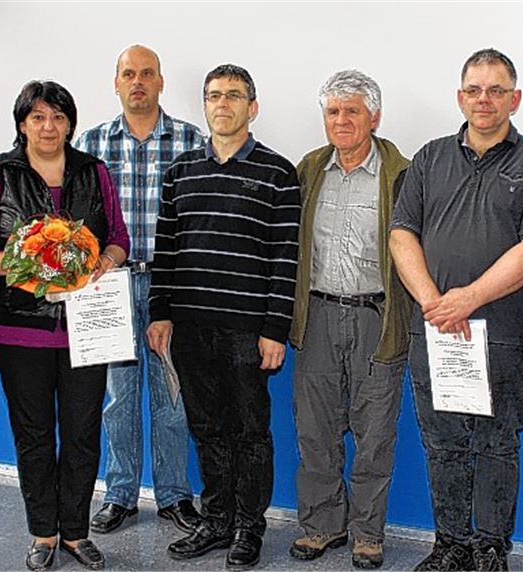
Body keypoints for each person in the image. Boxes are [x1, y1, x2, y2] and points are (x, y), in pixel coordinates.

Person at [390, 48, 523, 571]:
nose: (483, 99)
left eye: (495, 90)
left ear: (515, 97)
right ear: (460, 96)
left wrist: (468, 298)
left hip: (504, 334)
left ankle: (490, 549)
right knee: (442, 443)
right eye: (474, 89)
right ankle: (450, 545)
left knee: (496, 444)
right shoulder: (429, 158)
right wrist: (433, 303)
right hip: (435, 333)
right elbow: (402, 234)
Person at [0, 80, 130, 571]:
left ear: (70, 124)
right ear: (22, 124)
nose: (49, 127)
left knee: (83, 431)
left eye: (57, 117)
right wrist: (25, 268)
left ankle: (76, 532)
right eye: (38, 117)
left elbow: (118, 237)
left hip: (89, 326)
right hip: (18, 328)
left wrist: (106, 262)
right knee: (33, 434)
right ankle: (43, 532)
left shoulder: (94, 172)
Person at [146, 64, 300, 570]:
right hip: (190, 327)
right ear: (205, 105)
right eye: (214, 96)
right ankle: (216, 519)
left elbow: (286, 258)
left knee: (250, 431)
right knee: (206, 427)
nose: (223, 104)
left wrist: (275, 329)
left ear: (252, 107)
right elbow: (164, 252)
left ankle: (248, 527)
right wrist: (159, 313)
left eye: (235, 96)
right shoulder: (181, 172)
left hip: (247, 330)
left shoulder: (279, 174)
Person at [74, 44, 204, 536]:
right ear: (116, 82)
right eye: (129, 74)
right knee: (117, 396)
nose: (138, 82)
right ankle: (121, 494)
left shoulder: (191, 142)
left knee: (172, 396)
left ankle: (173, 496)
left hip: (170, 284)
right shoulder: (91, 144)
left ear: (161, 82)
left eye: (147, 73)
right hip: (110, 283)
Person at [288, 70, 412, 570]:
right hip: (316, 314)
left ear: (374, 117)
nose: (341, 120)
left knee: (375, 432)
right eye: (333, 111)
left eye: (352, 111)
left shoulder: (402, 173)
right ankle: (321, 526)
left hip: (376, 319)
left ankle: (367, 534)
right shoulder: (309, 169)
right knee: (315, 429)